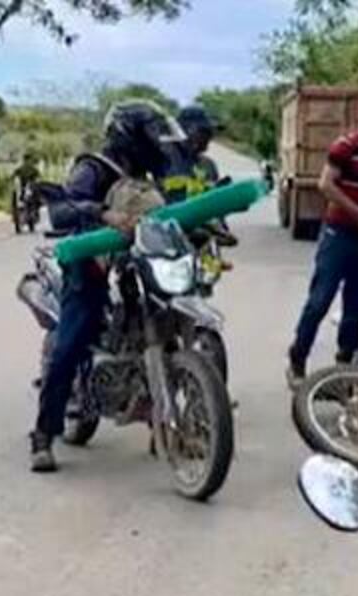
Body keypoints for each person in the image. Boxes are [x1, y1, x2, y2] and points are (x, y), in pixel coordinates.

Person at [29, 101, 185, 473]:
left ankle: (167, 422)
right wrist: (102, 213)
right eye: (150, 135)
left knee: (168, 328)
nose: (158, 144)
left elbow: (170, 212)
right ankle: (43, 435)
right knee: (71, 342)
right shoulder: (92, 168)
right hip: (91, 266)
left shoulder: (148, 177)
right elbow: (62, 210)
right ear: (130, 136)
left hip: (139, 265)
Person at [286, 95, 358, 384]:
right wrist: (356, 210)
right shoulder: (346, 147)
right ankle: (297, 359)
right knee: (320, 299)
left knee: (356, 307)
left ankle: (342, 370)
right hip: (340, 235)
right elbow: (326, 184)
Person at [160, 106, 223, 204]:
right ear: (188, 132)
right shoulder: (162, 161)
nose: (209, 137)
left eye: (211, 133)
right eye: (205, 132)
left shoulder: (208, 165)